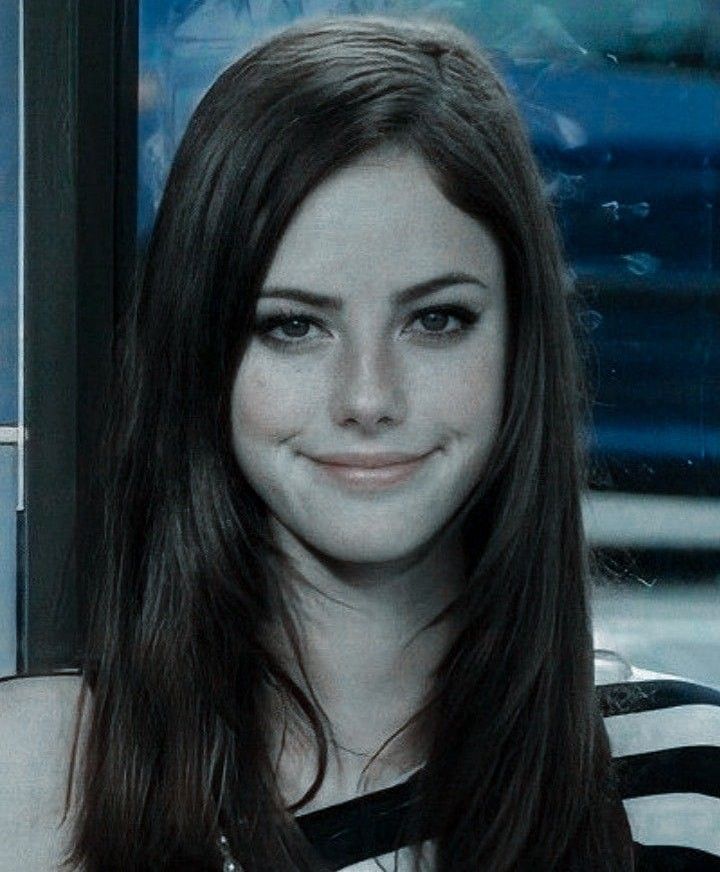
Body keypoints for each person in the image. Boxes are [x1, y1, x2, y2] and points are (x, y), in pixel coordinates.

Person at [1, 13, 718, 872]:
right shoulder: (43, 783)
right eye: (294, 325)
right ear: (200, 351)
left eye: (437, 320)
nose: (369, 397)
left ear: (520, 347)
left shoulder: (684, 776)